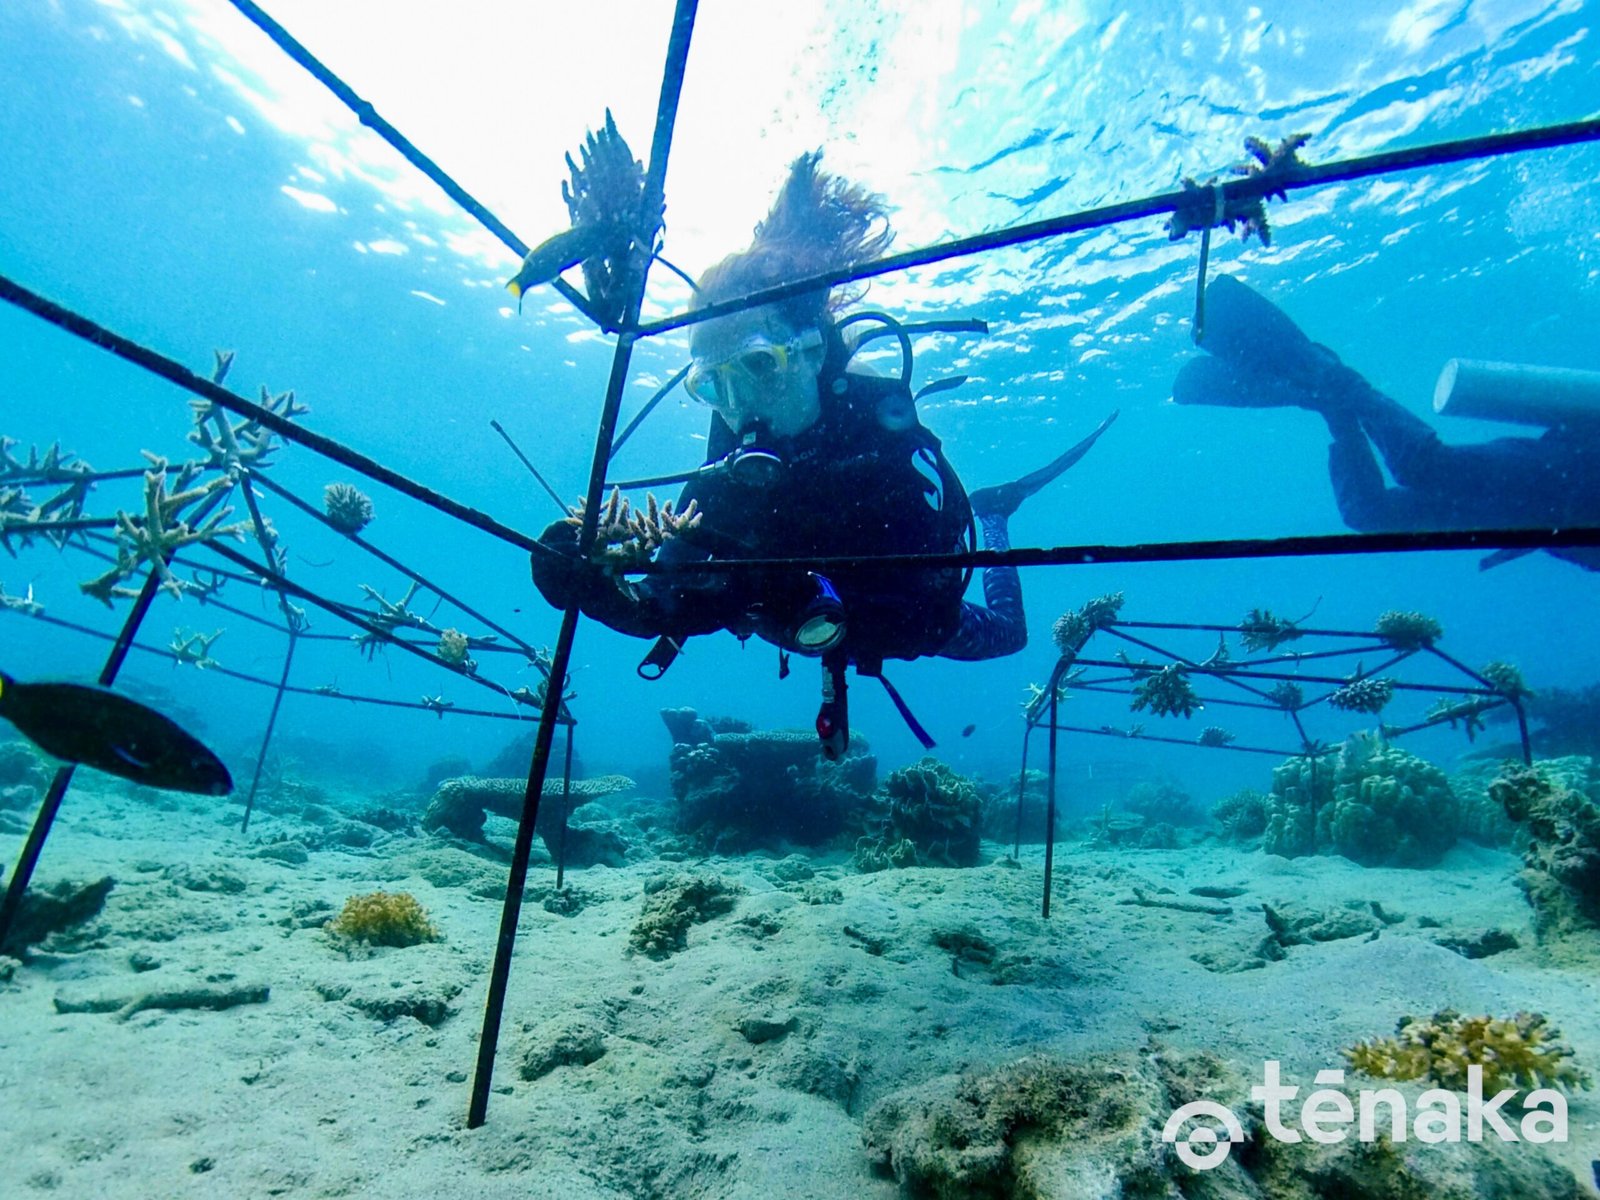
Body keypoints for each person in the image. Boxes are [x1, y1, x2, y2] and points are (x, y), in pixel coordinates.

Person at [530, 152, 1115, 754]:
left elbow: (924, 609)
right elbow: (667, 600)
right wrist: (602, 594)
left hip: (902, 613)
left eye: (759, 366)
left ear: (810, 353)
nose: (740, 405)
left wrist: (799, 592)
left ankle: (994, 515)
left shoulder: (883, 453)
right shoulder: (723, 476)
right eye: (714, 386)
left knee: (1010, 635)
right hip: (806, 626)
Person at [1172, 274, 1600, 572]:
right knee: (1425, 466)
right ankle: (1334, 378)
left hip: (1538, 518)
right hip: (1568, 473)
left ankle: (1331, 405)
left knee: (1369, 514)